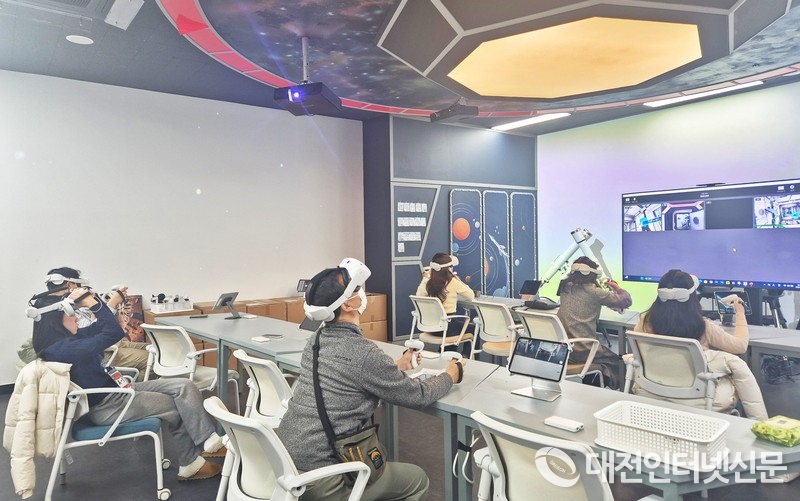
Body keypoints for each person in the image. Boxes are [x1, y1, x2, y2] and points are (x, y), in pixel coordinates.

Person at [276, 258, 464, 501]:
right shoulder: (364, 353)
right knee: (417, 480)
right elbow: (418, 395)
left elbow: (347, 376)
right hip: (324, 478)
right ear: (347, 305)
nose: (362, 292)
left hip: (286, 464)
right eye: (357, 289)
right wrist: (450, 375)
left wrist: (397, 366)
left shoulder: (315, 341)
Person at [30, 287, 226, 481]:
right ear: (54, 322)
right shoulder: (62, 349)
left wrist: (99, 302)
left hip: (117, 392)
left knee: (184, 386)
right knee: (177, 406)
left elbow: (102, 327)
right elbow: (113, 333)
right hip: (108, 406)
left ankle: (209, 441)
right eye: (70, 314)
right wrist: (92, 303)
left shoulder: (67, 341)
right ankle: (190, 464)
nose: (75, 318)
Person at [632, 269, 767, 419]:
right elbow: (740, 346)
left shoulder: (644, 322)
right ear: (692, 298)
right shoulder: (702, 326)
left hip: (652, 391)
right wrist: (740, 313)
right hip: (697, 399)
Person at [45, 267, 151, 380]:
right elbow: (96, 333)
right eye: (78, 285)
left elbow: (94, 327)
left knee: (152, 348)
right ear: (70, 285)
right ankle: (136, 387)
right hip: (102, 350)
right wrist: (112, 303)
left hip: (108, 343)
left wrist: (98, 302)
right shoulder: (62, 311)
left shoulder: (64, 305)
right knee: (152, 358)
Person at [556, 257, 632, 389]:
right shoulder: (594, 292)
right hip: (584, 349)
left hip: (564, 349)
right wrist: (616, 287)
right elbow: (626, 301)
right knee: (618, 362)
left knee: (601, 361)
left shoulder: (564, 287)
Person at [415, 253, 476, 350]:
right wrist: (459, 281)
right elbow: (471, 295)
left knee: (453, 328)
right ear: (448, 268)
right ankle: (466, 355)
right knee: (473, 328)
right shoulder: (453, 282)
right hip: (448, 327)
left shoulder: (428, 282)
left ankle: (444, 353)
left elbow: (418, 296)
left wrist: (425, 278)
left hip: (432, 327)